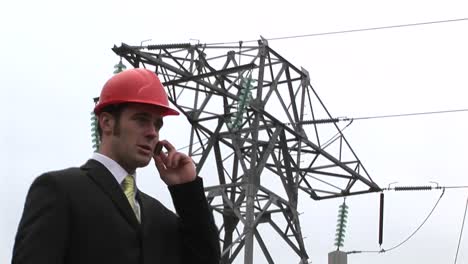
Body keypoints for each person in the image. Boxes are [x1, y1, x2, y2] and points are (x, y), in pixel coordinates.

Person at [12, 68, 220, 264]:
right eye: (142, 120)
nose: (152, 133)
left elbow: (205, 260)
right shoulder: (60, 190)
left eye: (157, 125)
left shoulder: (159, 217)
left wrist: (186, 189)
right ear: (107, 123)